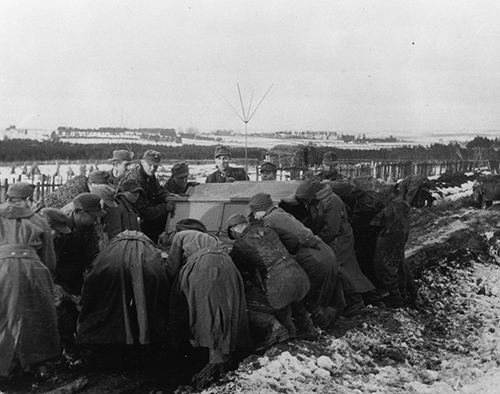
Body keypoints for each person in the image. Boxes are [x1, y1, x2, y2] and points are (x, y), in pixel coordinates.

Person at [164, 219, 251, 390]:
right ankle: (222, 355)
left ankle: (205, 357)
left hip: (203, 267)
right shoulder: (212, 238)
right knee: (221, 310)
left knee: (199, 308)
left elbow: (172, 267)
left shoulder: (180, 235)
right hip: (227, 267)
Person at [248, 193, 344, 329]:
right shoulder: (280, 213)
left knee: (307, 295)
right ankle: (327, 327)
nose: (254, 216)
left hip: (314, 258)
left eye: (255, 212)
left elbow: (270, 247)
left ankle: (316, 331)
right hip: (324, 251)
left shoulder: (269, 220)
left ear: (261, 209)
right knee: (323, 294)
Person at [227, 213, 316, 346]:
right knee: (289, 300)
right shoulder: (268, 231)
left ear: (233, 229)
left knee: (248, 306)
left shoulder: (240, 244)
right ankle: (307, 330)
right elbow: (292, 242)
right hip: (299, 275)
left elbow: (237, 271)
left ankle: (277, 330)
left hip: (280, 283)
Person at [0, 182, 60, 378]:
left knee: (4, 316)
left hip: (1, 269)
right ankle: (37, 363)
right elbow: (49, 258)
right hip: (32, 268)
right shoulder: (38, 220)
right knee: (37, 316)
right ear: (28, 200)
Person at [293, 180, 375, 316]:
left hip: (340, 238)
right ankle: (347, 301)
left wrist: (316, 241)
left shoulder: (332, 201)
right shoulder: (317, 201)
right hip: (332, 237)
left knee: (337, 268)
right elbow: (315, 220)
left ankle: (355, 301)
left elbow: (331, 229)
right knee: (343, 269)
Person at [77, 231, 169, 347]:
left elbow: (91, 287)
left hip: (112, 267)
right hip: (147, 270)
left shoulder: (107, 255)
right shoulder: (150, 254)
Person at [124, 150, 174, 243]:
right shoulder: (136, 180)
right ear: (142, 162)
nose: (152, 169)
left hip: (150, 220)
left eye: (155, 166)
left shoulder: (149, 175)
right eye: (150, 165)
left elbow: (158, 191)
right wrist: (165, 208)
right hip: (140, 225)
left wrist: (169, 196)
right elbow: (144, 212)